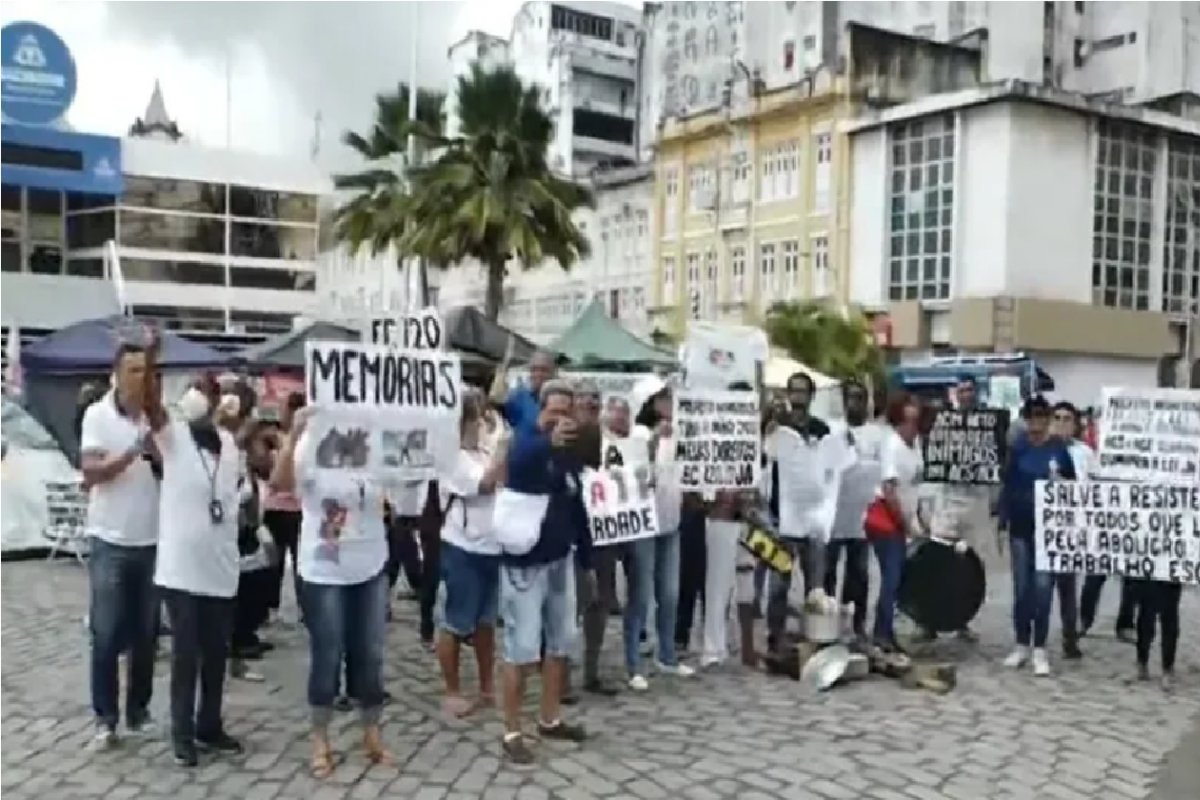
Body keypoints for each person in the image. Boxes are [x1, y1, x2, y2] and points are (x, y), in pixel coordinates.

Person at [271, 407, 391, 778]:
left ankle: (371, 730)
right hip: (324, 569)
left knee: (369, 652)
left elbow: (401, 486)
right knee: (329, 650)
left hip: (369, 562)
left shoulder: (376, 442)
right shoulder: (311, 440)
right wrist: (292, 436)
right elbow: (279, 482)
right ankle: (320, 737)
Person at [148, 372, 244, 767]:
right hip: (182, 570)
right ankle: (182, 731)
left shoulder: (228, 444)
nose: (200, 398)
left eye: (207, 391)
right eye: (196, 391)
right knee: (186, 654)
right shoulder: (172, 438)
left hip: (220, 567)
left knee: (217, 655)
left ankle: (209, 724)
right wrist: (151, 359)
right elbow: (152, 407)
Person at [499, 378, 594, 765]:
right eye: (553, 412)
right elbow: (518, 463)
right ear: (541, 411)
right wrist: (545, 440)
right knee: (521, 650)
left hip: (560, 559)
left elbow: (577, 501)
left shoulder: (570, 449)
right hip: (525, 566)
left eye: (565, 413)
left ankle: (549, 719)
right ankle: (511, 731)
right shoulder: (525, 440)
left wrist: (586, 558)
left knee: (559, 645)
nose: (560, 420)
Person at [79, 342, 162, 749]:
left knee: (146, 635)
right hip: (110, 538)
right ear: (116, 373)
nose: (139, 379)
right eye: (132, 371)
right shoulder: (98, 415)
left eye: (144, 371)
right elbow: (90, 472)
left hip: (151, 540)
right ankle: (105, 719)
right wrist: (131, 453)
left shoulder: (156, 417)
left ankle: (139, 711)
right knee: (107, 633)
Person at [437, 388, 508, 717]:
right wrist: (504, 451)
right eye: (475, 417)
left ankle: (486, 687)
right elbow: (486, 484)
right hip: (463, 547)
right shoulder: (452, 456)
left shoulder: (481, 450)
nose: (481, 423)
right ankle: (452, 690)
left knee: (485, 622)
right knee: (457, 621)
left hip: (491, 546)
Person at [997, 395, 1075, 677]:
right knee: (1022, 590)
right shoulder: (1017, 449)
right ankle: (1021, 643)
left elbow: (1074, 489)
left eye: (1042, 418)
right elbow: (1007, 486)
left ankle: (1039, 647)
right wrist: (1002, 523)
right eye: (1032, 418)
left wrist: (1062, 483)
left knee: (1043, 590)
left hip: (1049, 532)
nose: (1036, 424)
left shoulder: (1059, 451)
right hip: (1020, 529)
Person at [625, 384, 695, 688]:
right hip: (644, 524)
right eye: (663, 398)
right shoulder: (638, 434)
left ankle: (666, 655)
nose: (669, 403)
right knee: (641, 595)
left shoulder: (679, 433)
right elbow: (638, 472)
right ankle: (633, 664)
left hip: (670, 521)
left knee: (669, 593)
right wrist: (655, 440)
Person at [922, 374, 992, 643]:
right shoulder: (943, 423)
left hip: (974, 504)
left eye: (970, 390)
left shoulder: (986, 425)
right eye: (962, 390)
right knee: (938, 563)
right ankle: (929, 621)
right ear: (955, 394)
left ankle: (962, 620)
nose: (966, 395)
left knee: (968, 569)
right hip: (947, 503)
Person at [765, 371, 830, 653]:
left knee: (815, 585)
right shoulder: (777, 427)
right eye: (794, 391)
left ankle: (813, 635)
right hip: (782, 517)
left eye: (803, 391)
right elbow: (763, 457)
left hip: (814, 519)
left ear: (811, 396)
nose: (798, 397)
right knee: (779, 584)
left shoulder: (821, 429)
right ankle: (775, 635)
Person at [823, 379, 882, 641]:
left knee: (858, 574)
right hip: (833, 516)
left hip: (862, 517)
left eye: (860, 398)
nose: (855, 403)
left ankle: (856, 623)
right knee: (827, 574)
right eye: (851, 398)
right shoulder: (831, 430)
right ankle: (826, 623)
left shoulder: (877, 435)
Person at [867, 391, 925, 656]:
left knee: (898, 576)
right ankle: (881, 632)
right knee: (891, 576)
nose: (912, 427)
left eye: (916, 421)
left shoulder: (916, 444)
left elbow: (914, 485)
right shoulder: (891, 445)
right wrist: (905, 523)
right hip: (886, 518)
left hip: (905, 515)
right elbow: (889, 490)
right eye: (908, 421)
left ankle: (887, 630)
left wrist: (919, 519)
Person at [1050, 401, 1090, 659]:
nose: (1062, 422)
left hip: (1072, 524)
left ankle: (1069, 637)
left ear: (1075, 424)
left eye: (1068, 418)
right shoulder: (1044, 448)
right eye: (1058, 417)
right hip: (1045, 524)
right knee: (1040, 586)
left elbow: (1092, 487)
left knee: (1067, 586)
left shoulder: (1085, 453)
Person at [263, 392, 305, 622]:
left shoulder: (304, 440)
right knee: (274, 562)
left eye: (284, 409)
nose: (281, 413)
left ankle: (304, 606)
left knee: (301, 561)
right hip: (275, 508)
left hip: (297, 509)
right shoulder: (273, 436)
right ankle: (271, 606)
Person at [497, 349, 556, 436]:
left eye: (544, 370)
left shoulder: (565, 399)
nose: (538, 374)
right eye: (534, 369)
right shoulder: (517, 398)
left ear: (553, 372)